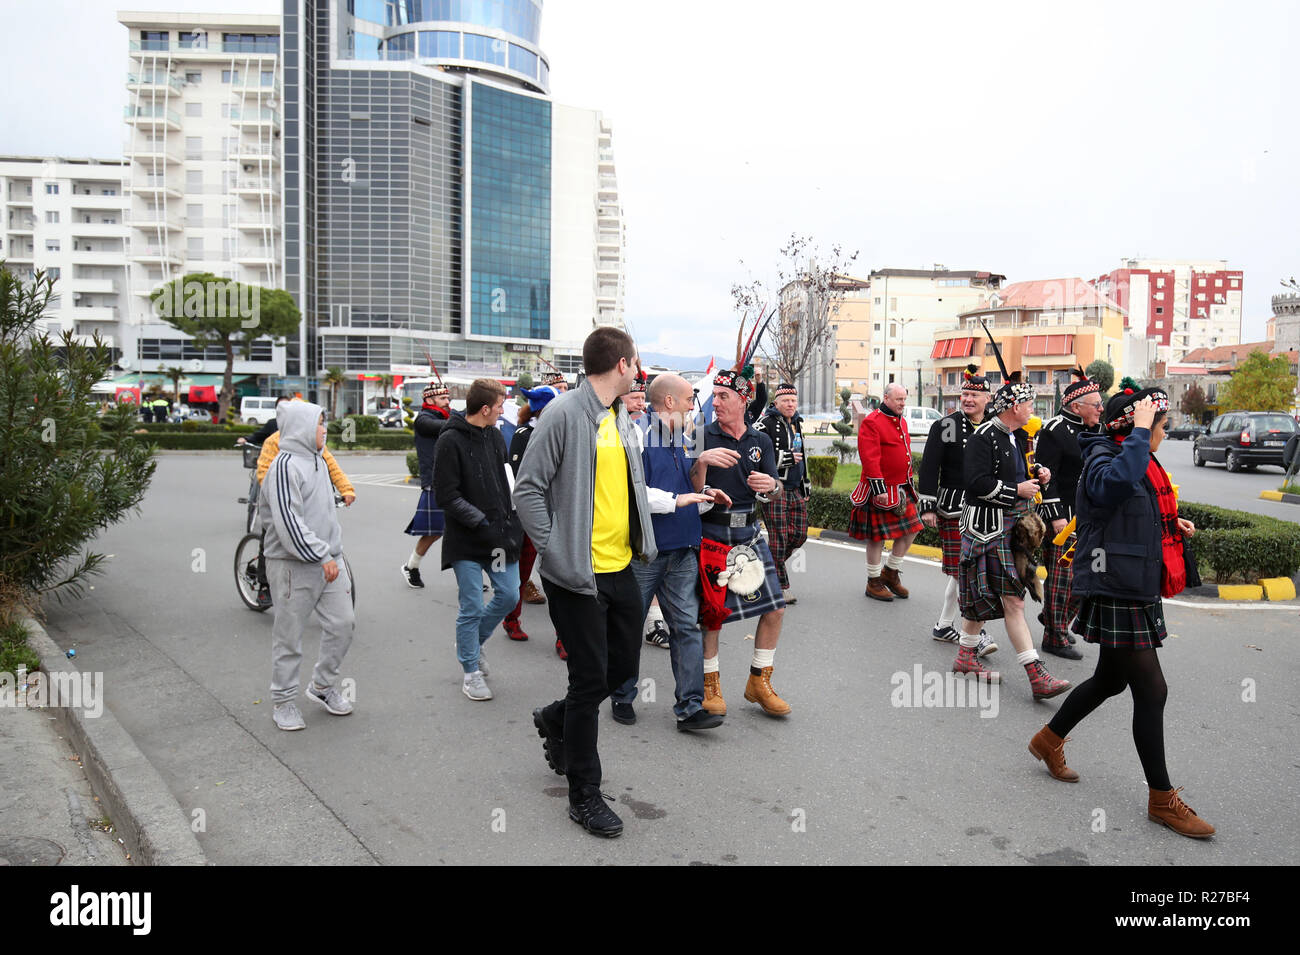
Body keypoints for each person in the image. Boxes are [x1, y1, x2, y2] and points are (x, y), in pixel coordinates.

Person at [1028, 388, 1214, 838]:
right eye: (1160, 427)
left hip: (1133, 581)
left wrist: (1171, 523)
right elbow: (1114, 486)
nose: (1163, 435)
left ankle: (1047, 740)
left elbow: (1135, 505)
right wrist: (1139, 430)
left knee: (1111, 679)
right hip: (1116, 586)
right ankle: (1162, 799)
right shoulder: (1102, 458)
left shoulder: (1129, 454)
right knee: (1152, 690)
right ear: (1133, 427)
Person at [515, 327, 656, 838]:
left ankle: (556, 718)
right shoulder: (562, 414)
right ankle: (584, 793)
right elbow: (527, 490)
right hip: (576, 575)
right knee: (588, 681)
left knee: (621, 669)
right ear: (621, 364)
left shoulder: (619, 416)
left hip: (620, 567)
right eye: (635, 361)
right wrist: (556, 551)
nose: (639, 369)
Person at [608, 374, 730, 730]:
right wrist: (679, 500)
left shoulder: (684, 438)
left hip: (683, 550)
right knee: (629, 628)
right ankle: (622, 694)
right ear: (670, 403)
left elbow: (683, 488)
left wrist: (705, 494)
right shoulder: (634, 435)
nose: (695, 404)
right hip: (647, 552)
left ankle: (690, 707)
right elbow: (632, 494)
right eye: (691, 398)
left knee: (686, 629)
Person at [953, 371, 1070, 699]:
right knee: (1013, 601)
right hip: (986, 528)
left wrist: (1038, 477)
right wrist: (1015, 489)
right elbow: (975, 483)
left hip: (1009, 528)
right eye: (1029, 402)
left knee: (987, 599)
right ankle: (1037, 676)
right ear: (1014, 406)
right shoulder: (984, 436)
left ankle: (965, 657)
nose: (1033, 407)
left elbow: (1015, 475)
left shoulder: (1014, 436)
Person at [693, 361, 790, 717]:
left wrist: (771, 486)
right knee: (713, 614)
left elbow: (776, 487)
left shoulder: (760, 439)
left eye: (722, 396)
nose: (715, 402)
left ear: (742, 401)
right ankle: (710, 684)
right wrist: (702, 462)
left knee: (776, 609)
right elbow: (688, 486)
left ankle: (759, 681)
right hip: (713, 532)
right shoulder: (702, 434)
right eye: (714, 396)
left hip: (748, 534)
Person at [258, 401, 356, 731]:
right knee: (289, 637)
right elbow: (289, 524)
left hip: (329, 559)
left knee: (343, 624)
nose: (325, 429)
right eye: (319, 424)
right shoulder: (284, 466)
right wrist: (322, 556)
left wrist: (331, 554)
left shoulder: (317, 460)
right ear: (301, 427)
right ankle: (284, 701)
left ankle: (322, 686)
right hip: (292, 565)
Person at [435, 378, 523, 701]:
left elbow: (506, 481)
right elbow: (446, 495)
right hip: (466, 541)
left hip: (499, 537)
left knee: (509, 595)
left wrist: (513, 515)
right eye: (500, 407)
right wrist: (479, 520)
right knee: (471, 605)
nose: (503, 412)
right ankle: (470, 670)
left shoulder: (497, 436)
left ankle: (472, 641)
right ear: (485, 409)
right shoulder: (450, 441)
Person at [918, 365, 995, 655]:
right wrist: (927, 506)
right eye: (964, 393)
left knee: (964, 572)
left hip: (987, 509)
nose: (968, 399)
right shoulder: (946, 425)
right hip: (953, 508)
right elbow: (929, 468)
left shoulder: (994, 426)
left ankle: (943, 625)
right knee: (965, 570)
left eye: (975, 395)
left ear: (988, 398)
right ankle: (975, 631)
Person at [1033, 368, 1103, 659]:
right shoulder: (1054, 430)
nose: (1101, 409)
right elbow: (1045, 476)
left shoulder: (1097, 429)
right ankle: (1055, 636)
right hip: (1063, 518)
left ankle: (1054, 618)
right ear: (1077, 406)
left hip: (1090, 516)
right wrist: (1056, 515)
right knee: (1063, 577)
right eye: (1096, 405)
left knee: (1093, 577)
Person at [849, 383, 921, 601]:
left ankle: (890, 571)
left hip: (901, 487)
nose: (902, 403)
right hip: (878, 489)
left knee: (913, 528)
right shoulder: (873, 421)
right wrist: (879, 488)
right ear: (886, 398)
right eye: (898, 399)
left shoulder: (901, 421)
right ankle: (873, 581)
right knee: (876, 538)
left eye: (904, 399)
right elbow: (870, 457)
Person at [503, 384, 559, 643]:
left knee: (561, 578)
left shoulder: (563, 431)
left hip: (559, 513)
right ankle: (511, 618)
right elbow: (518, 479)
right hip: (530, 514)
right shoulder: (525, 433)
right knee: (522, 573)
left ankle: (564, 636)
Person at [619, 372, 671, 651]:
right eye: (634, 397)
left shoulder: (642, 430)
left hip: (644, 510)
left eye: (643, 398)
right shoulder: (608, 426)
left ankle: (654, 623)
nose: (640, 403)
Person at [754, 383, 810, 605]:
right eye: (786, 400)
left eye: (793, 401)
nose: (790, 404)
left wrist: (806, 482)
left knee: (800, 534)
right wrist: (782, 459)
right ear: (775, 402)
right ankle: (780, 586)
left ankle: (765, 567)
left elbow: (802, 455)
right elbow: (756, 454)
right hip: (774, 488)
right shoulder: (764, 423)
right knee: (779, 538)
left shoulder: (797, 422)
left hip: (795, 487)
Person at [400, 382, 452, 589]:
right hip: (435, 481)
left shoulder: (447, 417)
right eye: (443, 399)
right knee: (435, 531)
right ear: (429, 400)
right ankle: (411, 566)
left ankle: (468, 575)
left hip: (454, 480)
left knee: (462, 528)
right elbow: (443, 427)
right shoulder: (423, 420)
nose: (447, 402)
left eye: (448, 398)